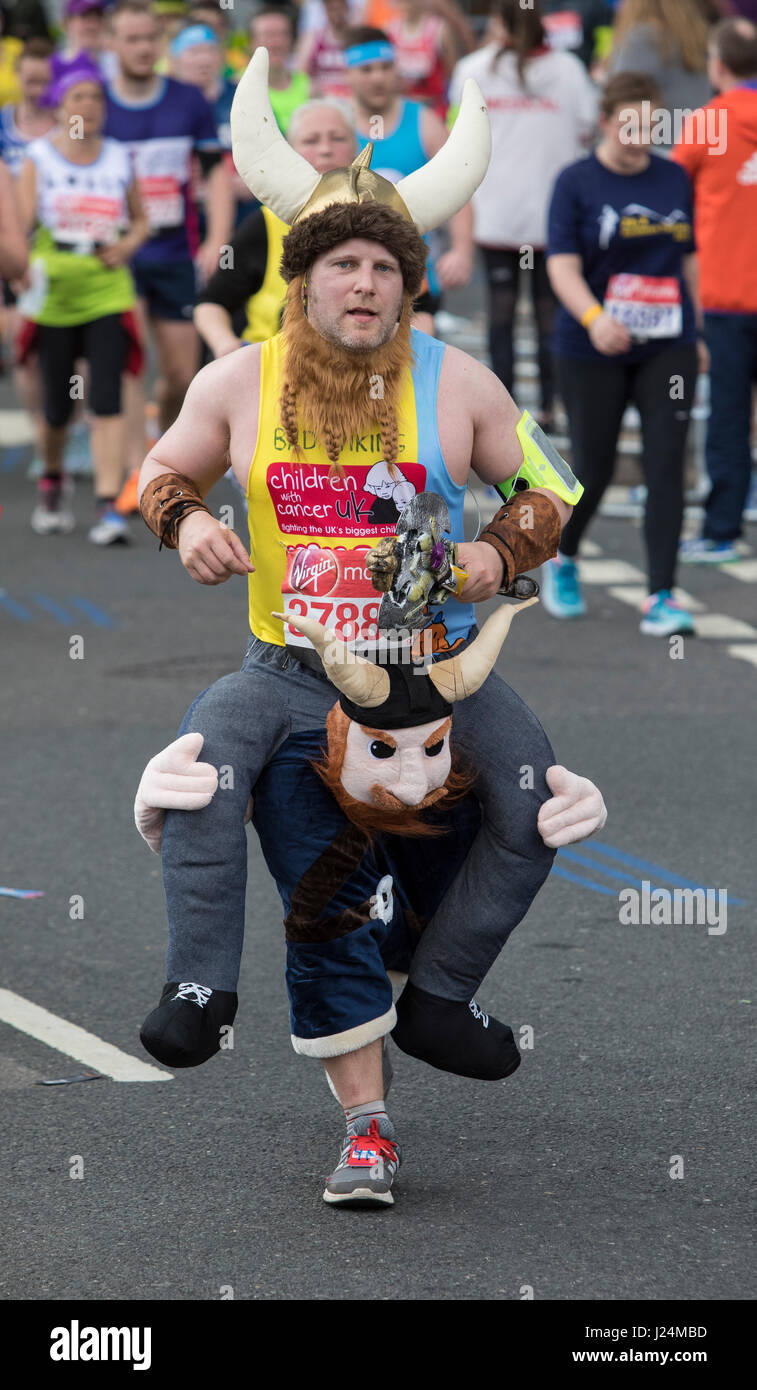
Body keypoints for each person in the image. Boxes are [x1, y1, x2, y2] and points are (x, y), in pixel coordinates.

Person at [134, 49, 587, 1205]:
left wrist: (494, 550)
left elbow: (552, 490)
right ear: (303, 278)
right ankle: (218, 1006)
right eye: (341, 264)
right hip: (288, 673)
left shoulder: (462, 383)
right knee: (202, 772)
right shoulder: (237, 382)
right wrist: (185, 524)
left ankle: (438, 997)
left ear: (409, 282)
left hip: (435, 669)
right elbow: (161, 473)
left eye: (384, 267)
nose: (364, 286)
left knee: (534, 798)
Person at [545, 71, 706, 635]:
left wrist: (700, 331)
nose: (641, 134)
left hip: (667, 345)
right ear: (608, 122)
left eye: (651, 123)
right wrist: (595, 319)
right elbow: (561, 265)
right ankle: (564, 556)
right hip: (592, 346)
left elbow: (688, 259)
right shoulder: (576, 182)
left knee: (667, 465)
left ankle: (661, 594)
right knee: (594, 464)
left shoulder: (675, 179)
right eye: (631, 123)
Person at [15, 58, 149, 541]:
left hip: (107, 290)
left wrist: (128, 245)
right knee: (57, 406)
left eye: (96, 97)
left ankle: (108, 504)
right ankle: (52, 477)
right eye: (78, 97)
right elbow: (21, 226)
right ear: (60, 106)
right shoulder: (39, 157)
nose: (88, 106)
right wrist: (17, 273)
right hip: (54, 293)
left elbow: (141, 219)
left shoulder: (118, 156)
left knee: (108, 395)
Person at [450, 0, 598, 431]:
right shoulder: (569, 70)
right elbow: (588, 128)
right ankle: (551, 407)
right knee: (550, 314)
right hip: (553, 218)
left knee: (501, 317)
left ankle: (506, 414)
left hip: (494, 212)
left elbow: (459, 136)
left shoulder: (472, 68)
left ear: (499, 23)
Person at [104, 0, 232, 438]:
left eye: (149, 38)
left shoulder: (188, 99)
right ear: (111, 43)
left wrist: (217, 238)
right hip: (119, 255)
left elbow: (216, 173)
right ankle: (139, 472)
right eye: (131, 39)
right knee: (129, 363)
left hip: (177, 251)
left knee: (180, 374)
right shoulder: (96, 103)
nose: (142, 47)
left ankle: (162, 446)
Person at [673, 16, 757, 562]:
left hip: (727, 295)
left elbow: (669, 189)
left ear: (718, 66)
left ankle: (722, 531)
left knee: (727, 416)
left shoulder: (707, 122)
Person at [193, 98, 356, 357]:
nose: (325, 149)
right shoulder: (265, 224)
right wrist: (227, 347)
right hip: (272, 375)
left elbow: (420, 309)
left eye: (337, 138)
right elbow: (210, 304)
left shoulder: (382, 222)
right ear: (291, 153)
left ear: (356, 149)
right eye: (311, 141)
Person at [342, 25, 474, 331]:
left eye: (386, 67)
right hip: (351, 282)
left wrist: (462, 252)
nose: (378, 77)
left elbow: (457, 191)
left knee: (415, 370)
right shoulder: (337, 125)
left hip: (416, 278)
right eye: (366, 69)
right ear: (348, 74)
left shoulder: (425, 122)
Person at [607, 0, 713, 147]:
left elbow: (618, 93)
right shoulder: (698, 38)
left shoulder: (642, 38)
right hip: (699, 144)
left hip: (659, 148)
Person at [386, 0, 474, 116]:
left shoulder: (439, 30)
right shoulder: (390, 30)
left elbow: (454, 72)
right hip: (402, 110)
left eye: (407, 1)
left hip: (434, 109)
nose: (404, 5)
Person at [250, 6, 310, 133]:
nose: (276, 43)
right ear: (252, 42)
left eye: (283, 34)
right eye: (268, 35)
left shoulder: (309, 88)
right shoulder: (236, 86)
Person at [295, 0, 352, 99]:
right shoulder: (314, 38)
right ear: (325, 10)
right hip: (322, 97)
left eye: (339, 8)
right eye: (331, 9)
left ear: (347, 8)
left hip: (350, 96)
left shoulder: (356, 37)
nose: (336, 14)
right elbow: (300, 72)